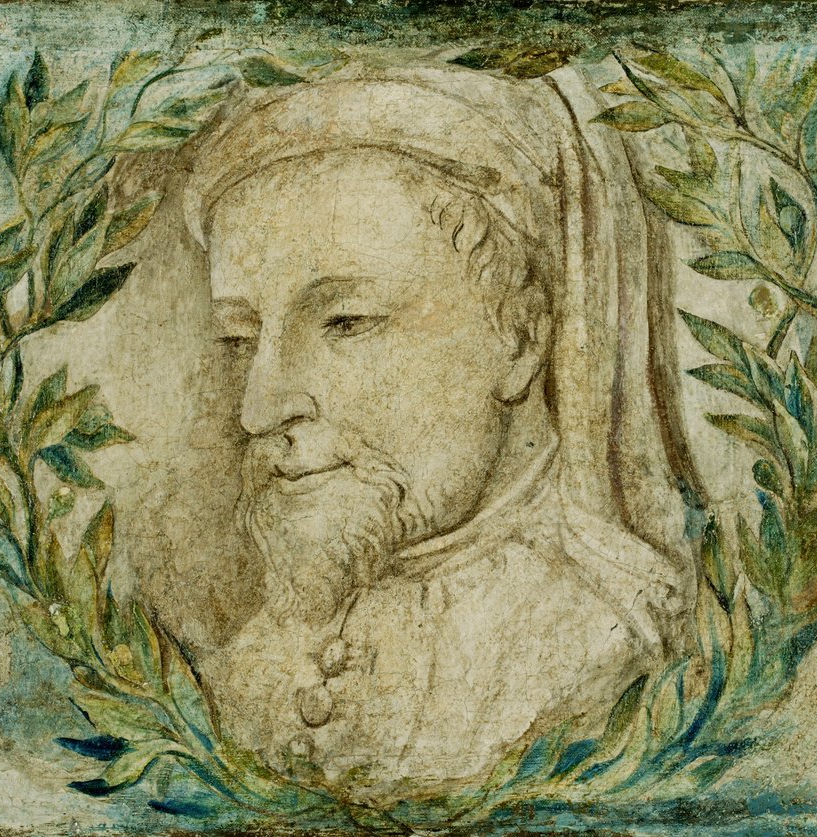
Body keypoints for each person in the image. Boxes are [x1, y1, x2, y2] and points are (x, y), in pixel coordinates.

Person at [179, 59, 697, 804]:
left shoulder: (612, 647)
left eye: (345, 321)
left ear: (520, 339)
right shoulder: (251, 662)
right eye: (240, 338)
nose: (258, 411)